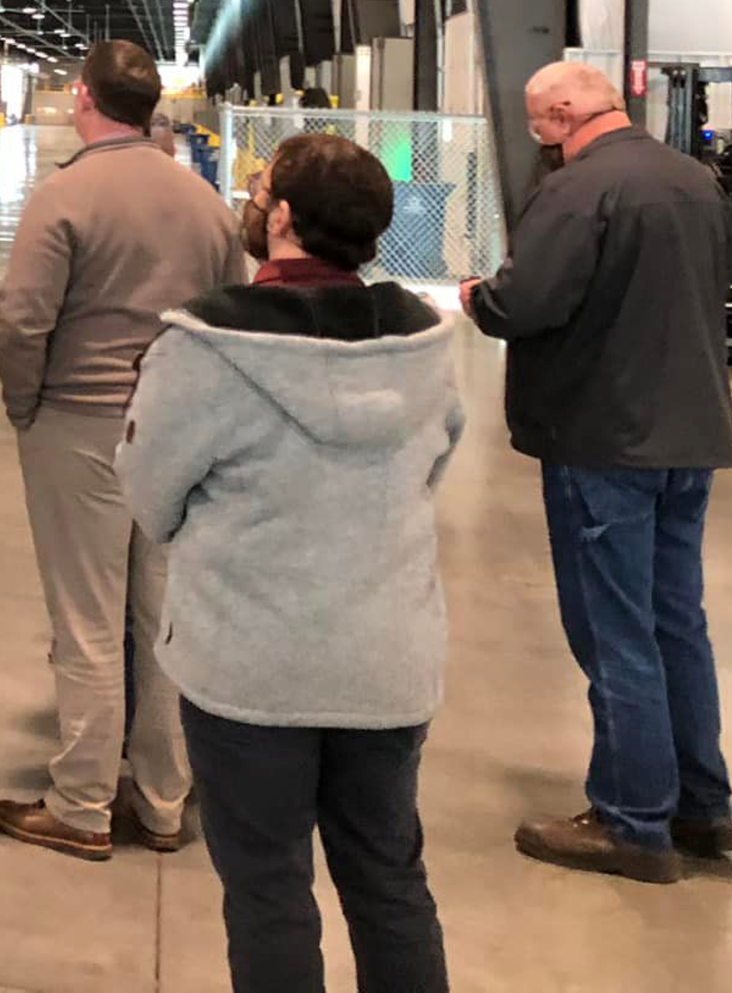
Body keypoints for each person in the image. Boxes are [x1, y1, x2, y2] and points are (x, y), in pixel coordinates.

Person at [120, 133, 462, 990]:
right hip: (386, 665)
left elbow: (150, 493)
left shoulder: (204, 344)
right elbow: (435, 464)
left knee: (269, 887)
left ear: (279, 216)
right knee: (389, 879)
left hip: (249, 669)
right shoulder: (422, 342)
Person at [461, 60, 732, 885]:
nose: (540, 140)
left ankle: (631, 820)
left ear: (557, 116)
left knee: (615, 630)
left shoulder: (577, 192)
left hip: (605, 438)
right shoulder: (696, 183)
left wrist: (478, 293)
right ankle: (700, 803)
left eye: (540, 125)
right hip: (690, 432)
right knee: (675, 620)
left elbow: (523, 302)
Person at [0, 39, 244, 861]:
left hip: (82, 423)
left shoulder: (66, 195)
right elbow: (229, 315)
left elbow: (22, 319)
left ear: (85, 100)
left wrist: (25, 404)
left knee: (86, 620)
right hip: (175, 429)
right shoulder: (204, 201)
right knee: (161, 619)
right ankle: (165, 797)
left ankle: (81, 801)